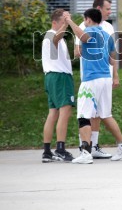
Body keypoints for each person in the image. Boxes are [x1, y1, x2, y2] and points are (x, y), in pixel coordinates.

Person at [66, 8, 122, 164]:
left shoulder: (91, 33)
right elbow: (111, 59)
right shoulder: (106, 35)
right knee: (105, 114)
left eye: (84, 21)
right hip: (105, 79)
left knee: (83, 115)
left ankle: (85, 153)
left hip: (91, 80)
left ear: (88, 20)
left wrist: (69, 21)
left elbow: (82, 36)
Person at [75, 0, 115, 159]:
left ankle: (91, 148)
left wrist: (116, 75)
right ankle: (86, 148)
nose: (110, 12)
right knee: (91, 113)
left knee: (94, 113)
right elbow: (77, 51)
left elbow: (111, 53)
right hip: (94, 76)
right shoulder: (85, 27)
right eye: (108, 9)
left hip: (100, 76)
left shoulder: (105, 28)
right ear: (98, 10)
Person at [41, 9, 75, 163]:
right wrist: (67, 25)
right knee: (65, 111)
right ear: (55, 22)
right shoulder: (51, 34)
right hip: (59, 78)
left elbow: (59, 41)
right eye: (64, 20)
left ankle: (47, 152)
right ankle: (60, 149)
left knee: (53, 113)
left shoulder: (57, 37)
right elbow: (56, 37)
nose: (66, 22)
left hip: (52, 77)